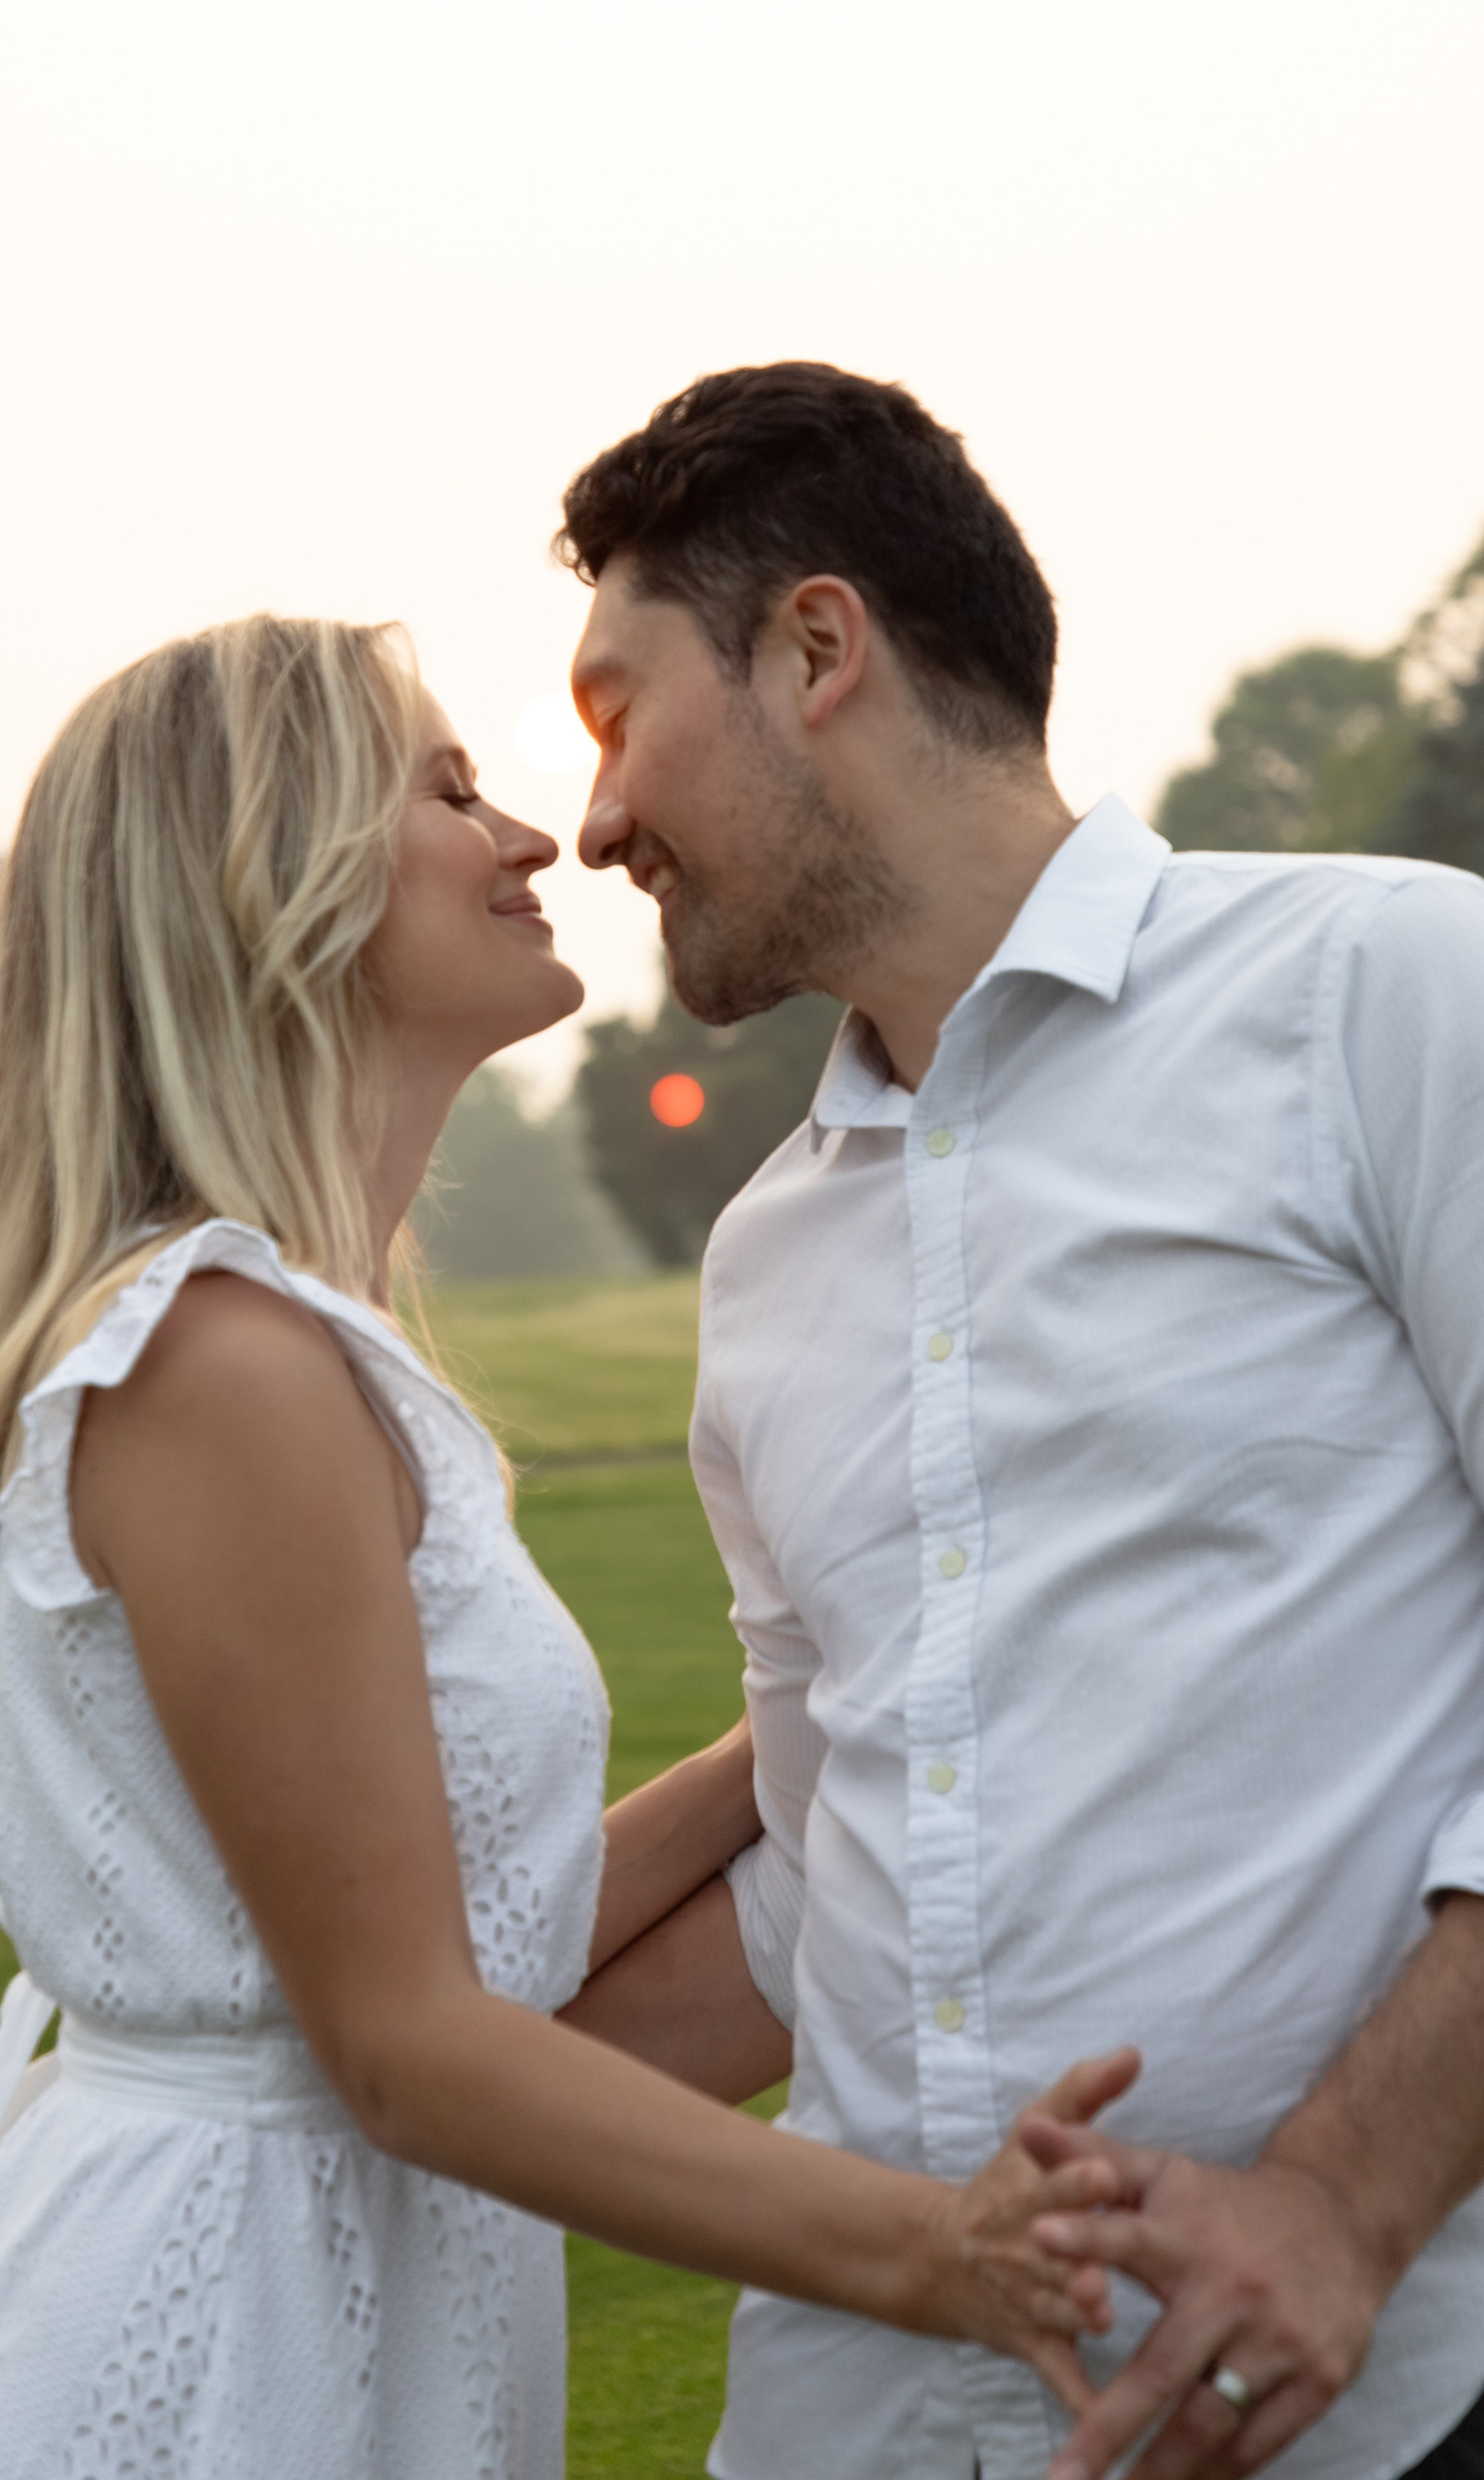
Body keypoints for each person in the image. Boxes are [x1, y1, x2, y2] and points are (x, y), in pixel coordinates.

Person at [0, 615, 1130, 2480]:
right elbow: (406, 2041)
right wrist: (952, 2256)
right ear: (264, 880)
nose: (535, 837)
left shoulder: (283, 1345)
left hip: (323, 2288)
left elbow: (435, 1930)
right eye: (447, 791)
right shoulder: (224, 1366)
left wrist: (837, 1715)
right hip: (202, 2346)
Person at [556, 363, 1484, 2480]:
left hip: (1360, 2412)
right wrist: (392, 2076)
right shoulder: (764, 1271)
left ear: (816, 648)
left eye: (619, 713)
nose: (594, 816)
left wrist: (1342, 2195)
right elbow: (837, 1861)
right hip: (850, 2425)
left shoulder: (1393, 999)